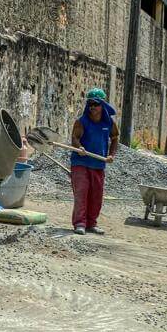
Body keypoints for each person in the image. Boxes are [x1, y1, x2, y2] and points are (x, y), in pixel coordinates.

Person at [70, 88, 118, 235]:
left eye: (95, 105)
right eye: (90, 104)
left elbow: (115, 138)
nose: (92, 108)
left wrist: (111, 155)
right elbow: (74, 138)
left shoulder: (109, 123)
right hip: (81, 163)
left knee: (96, 195)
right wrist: (80, 147)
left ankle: (91, 223)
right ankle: (80, 223)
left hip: (98, 164)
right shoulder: (81, 121)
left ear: (102, 105)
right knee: (82, 193)